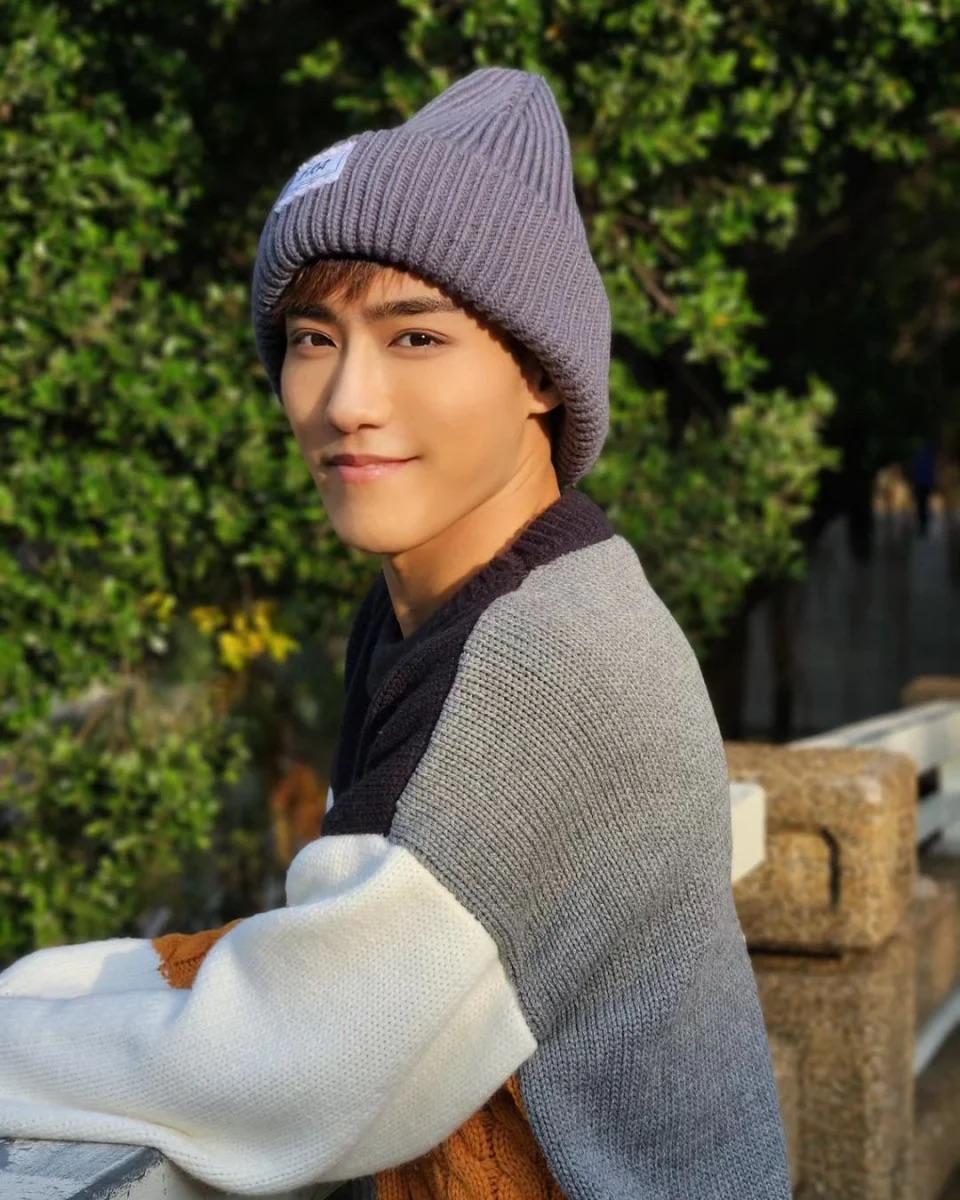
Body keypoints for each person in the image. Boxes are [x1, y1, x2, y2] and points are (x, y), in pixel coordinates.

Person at [0, 67, 793, 1198]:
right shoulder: (458, 606)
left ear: (539, 374)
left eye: (415, 338)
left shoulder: (549, 665)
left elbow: (299, 1066)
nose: (345, 403)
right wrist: (39, 989)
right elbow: (357, 940)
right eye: (311, 338)